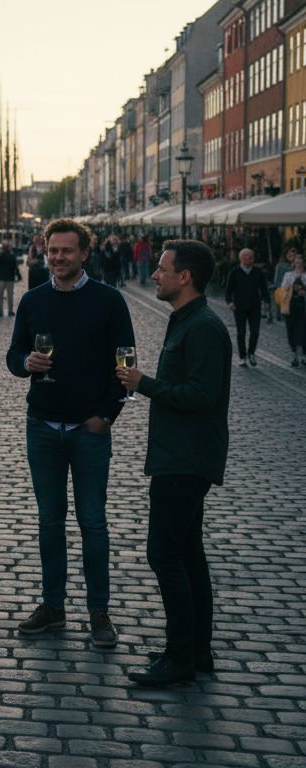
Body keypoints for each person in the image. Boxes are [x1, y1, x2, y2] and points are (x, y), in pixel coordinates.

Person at [7, 218, 135, 649]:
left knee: (93, 523)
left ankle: (98, 611)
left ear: (84, 253)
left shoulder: (108, 300)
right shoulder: (32, 299)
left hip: (88, 430)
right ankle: (53, 606)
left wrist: (106, 416)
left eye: (66, 251)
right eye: (52, 250)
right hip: (42, 425)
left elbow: (126, 362)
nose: (58, 257)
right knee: (49, 522)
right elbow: (13, 353)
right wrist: (25, 363)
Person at [117, 239, 231, 687]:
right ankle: (197, 650)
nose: (154, 274)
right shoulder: (187, 320)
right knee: (188, 554)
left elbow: (201, 396)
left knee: (164, 553)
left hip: (185, 458)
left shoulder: (201, 326)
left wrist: (144, 383)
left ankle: (180, 655)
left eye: (162, 269)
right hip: (180, 454)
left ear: (184, 277)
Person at [225, 248, 271, 367]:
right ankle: (242, 356)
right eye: (244, 257)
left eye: (249, 257)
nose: (247, 259)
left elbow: (264, 288)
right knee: (241, 332)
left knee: (255, 331)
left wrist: (266, 301)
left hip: (254, 306)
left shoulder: (258, 272)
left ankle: (251, 353)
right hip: (239, 306)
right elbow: (228, 289)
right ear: (240, 258)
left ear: (253, 259)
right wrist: (229, 302)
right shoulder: (234, 272)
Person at [283, 255, 306, 366]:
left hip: (303, 308)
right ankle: (294, 354)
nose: (299, 265)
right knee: (291, 330)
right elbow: (282, 289)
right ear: (294, 264)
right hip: (291, 307)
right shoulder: (288, 275)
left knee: (303, 331)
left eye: (301, 262)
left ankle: (304, 354)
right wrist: (289, 289)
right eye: (297, 262)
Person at [270, 248, 297, 325]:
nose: (292, 257)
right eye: (290, 256)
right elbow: (279, 280)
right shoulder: (282, 266)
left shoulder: (300, 266)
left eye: (294, 255)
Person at [0, 241, 21, 317]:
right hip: (10, 278)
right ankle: (10, 311)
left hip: (0, 278)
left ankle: (0, 311)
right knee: (10, 296)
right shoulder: (12, 257)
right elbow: (15, 267)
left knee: (0, 296)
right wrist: (18, 276)